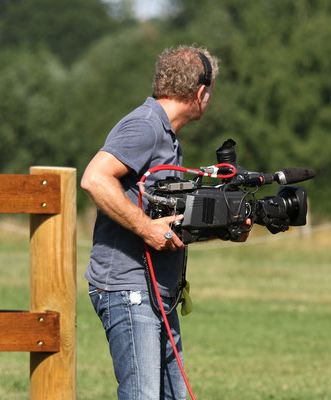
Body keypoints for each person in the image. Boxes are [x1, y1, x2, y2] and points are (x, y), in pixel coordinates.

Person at [81, 45, 246, 399]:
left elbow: (166, 218)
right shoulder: (144, 127)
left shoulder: (166, 135)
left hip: (157, 291)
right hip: (127, 288)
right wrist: (145, 228)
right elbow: (94, 178)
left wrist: (226, 228)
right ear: (201, 92)